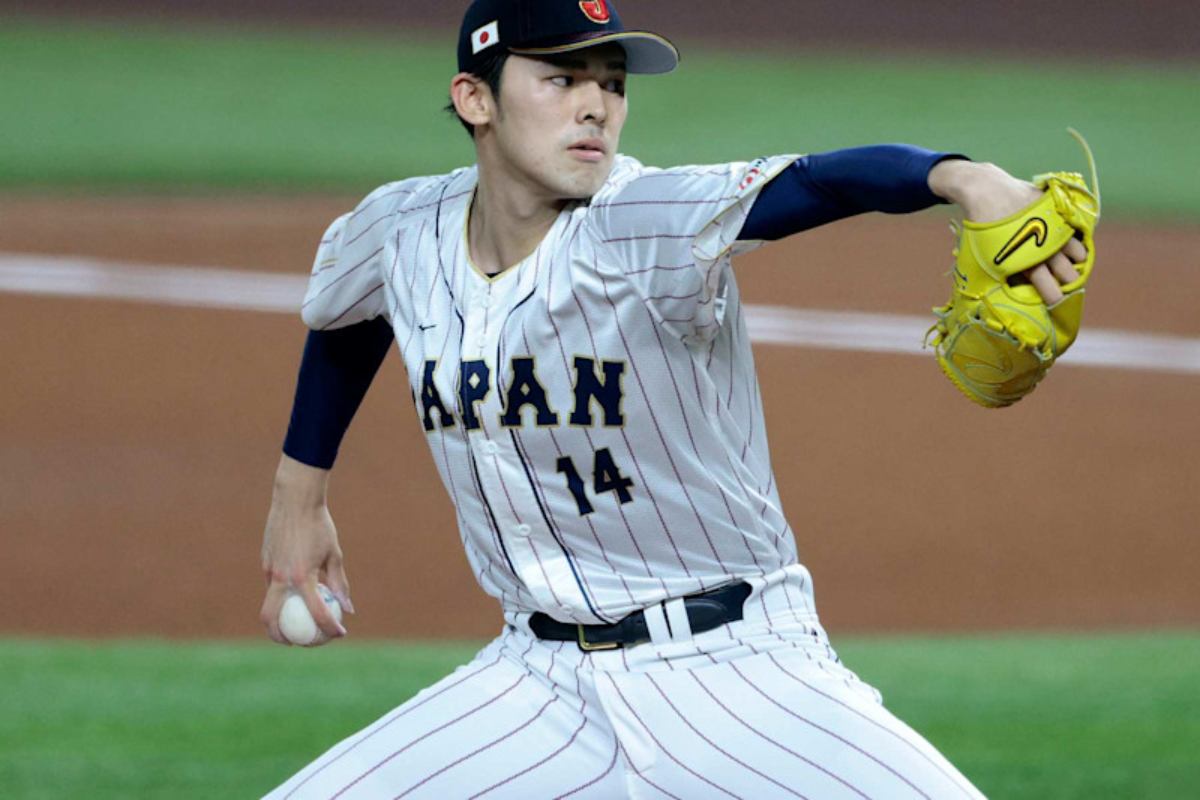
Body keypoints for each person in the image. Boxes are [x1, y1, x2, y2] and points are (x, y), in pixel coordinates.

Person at [260, 1, 1087, 796]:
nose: (595, 106)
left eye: (612, 84)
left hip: (741, 677)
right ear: (474, 98)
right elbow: (349, 313)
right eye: (561, 78)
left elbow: (821, 184)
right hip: (537, 683)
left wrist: (962, 177)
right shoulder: (403, 228)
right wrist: (301, 494)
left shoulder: (641, 219)